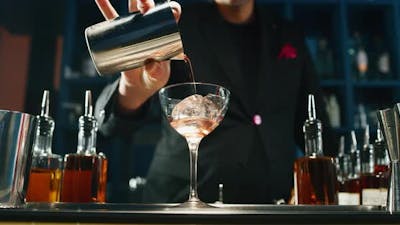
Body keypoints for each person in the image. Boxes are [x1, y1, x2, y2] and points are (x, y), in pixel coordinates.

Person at [94, 0, 337, 203]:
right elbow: (111, 127)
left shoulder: (288, 33)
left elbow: (315, 127)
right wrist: (132, 91)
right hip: (181, 206)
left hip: (273, 205)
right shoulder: (176, 26)